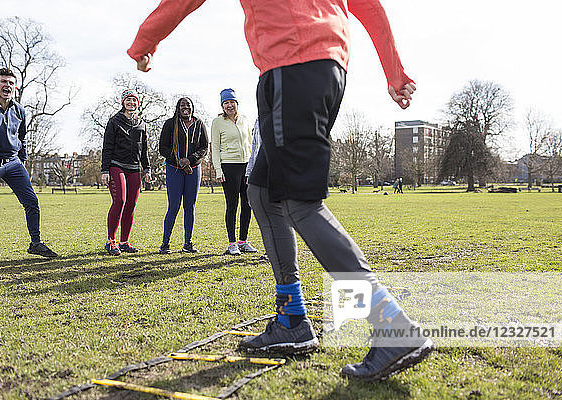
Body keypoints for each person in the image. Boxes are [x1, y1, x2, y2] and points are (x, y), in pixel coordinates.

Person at [127, 0, 433, 382]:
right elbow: (368, 5)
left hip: (294, 65)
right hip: (313, 67)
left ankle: (392, 324)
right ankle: (292, 319)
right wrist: (394, 71)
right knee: (261, 192)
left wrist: (146, 41)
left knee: (299, 203)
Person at [0, 68, 58, 268]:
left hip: (13, 162)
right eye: (3, 82)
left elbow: (22, 137)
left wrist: (22, 159)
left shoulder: (19, 110)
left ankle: (35, 243)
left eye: (10, 83)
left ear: (15, 87)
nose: (7, 86)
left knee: (32, 202)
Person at [101, 89, 151, 256]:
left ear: (138, 103)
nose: (131, 103)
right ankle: (110, 241)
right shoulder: (114, 121)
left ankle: (124, 242)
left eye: (134, 100)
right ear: (123, 102)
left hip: (134, 168)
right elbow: (107, 147)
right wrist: (105, 170)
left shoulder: (141, 124)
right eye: (128, 100)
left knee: (131, 204)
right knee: (120, 200)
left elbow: (144, 150)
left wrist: (147, 169)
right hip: (116, 166)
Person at [209, 89, 258, 256]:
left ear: (237, 103)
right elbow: (215, 147)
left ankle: (243, 241)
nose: (229, 105)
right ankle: (232, 243)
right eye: (226, 103)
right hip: (229, 167)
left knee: (247, 204)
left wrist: (253, 166)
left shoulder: (244, 120)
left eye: (232, 102)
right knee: (232, 205)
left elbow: (251, 144)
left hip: (246, 167)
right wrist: (218, 169)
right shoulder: (217, 122)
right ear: (222, 106)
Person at [158, 97, 208, 254]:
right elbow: (163, 148)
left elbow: (204, 147)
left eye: (188, 105)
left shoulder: (199, 124)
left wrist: (190, 160)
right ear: (177, 108)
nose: (185, 107)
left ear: (193, 107)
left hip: (194, 170)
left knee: (190, 206)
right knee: (173, 206)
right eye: (182, 105)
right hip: (174, 169)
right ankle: (165, 244)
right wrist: (179, 161)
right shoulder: (170, 124)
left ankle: (188, 243)